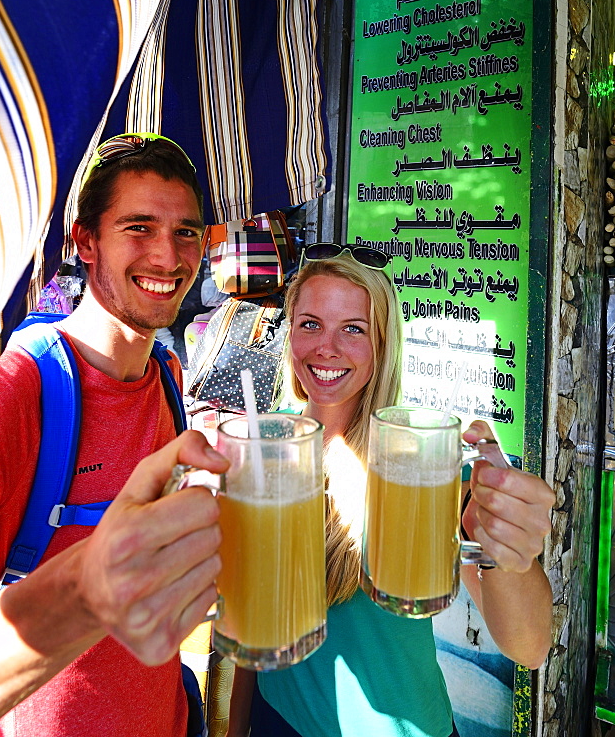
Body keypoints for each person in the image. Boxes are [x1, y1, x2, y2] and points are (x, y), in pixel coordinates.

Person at [226, 246, 555, 737]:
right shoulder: (269, 447)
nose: (326, 347)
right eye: (310, 324)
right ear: (289, 331)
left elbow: (529, 647)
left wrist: (509, 554)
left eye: (353, 329)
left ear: (382, 344)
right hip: (278, 719)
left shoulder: (416, 460)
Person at [0, 133, 227, 735]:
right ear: (85, 240)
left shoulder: (169, 377)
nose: (168, 258)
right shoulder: (17, 393)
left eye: (186, 232)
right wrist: (84, 590)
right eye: (139, 228)